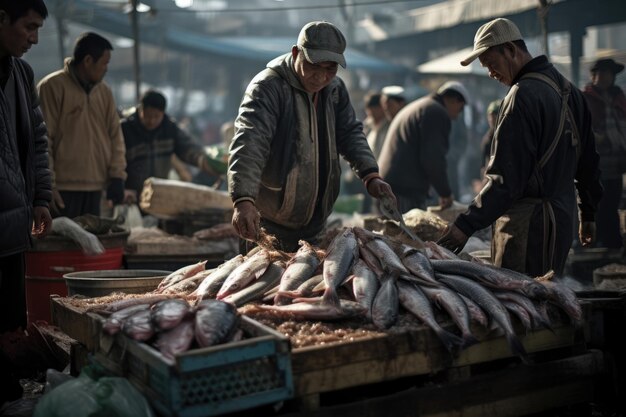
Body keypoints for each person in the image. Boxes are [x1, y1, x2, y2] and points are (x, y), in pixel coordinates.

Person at [438, 18, 603, 277]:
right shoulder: (570, 90)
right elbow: (589, 162)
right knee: (549, 298)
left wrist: (464, 225)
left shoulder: (521, 95)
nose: (491, 73)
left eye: (492, 64)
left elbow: (506, 179)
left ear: (512, 50)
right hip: (562, 220)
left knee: (523, 305)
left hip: (530, 228)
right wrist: (588, 212)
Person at [228, 21, 395, 252]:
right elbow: (250, 142)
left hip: (315, 224)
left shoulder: (335, 89)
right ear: (296, 53)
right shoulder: (268, 87)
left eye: (331, 69)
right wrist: (243, 199)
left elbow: (350, 133)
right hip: (269, 223)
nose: (321, 77)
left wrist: (370, 174)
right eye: (315, 66)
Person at [0, 0, 52, 404]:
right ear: (2, 19)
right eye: (28, 27)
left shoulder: (21, 73)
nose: (34, 38)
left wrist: (40, 197)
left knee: (10, 318)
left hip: (14, 223)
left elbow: (36, 140)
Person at [37, 32, 127, 218]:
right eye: (104, 63)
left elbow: (115, 136)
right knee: (63, 243)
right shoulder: (52, 87)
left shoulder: (104, 92)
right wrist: (48, 186)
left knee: (93, 243)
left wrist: (117, 175)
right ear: (87, 60)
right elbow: (43, 141)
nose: (106, 69)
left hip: (96, 188)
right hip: (62, 188)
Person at [378, 81, 469, 213]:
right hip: (404, 190)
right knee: (406, 232)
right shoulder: (436, 112)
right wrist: (445, 193)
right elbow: (433, 158)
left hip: (392, 185)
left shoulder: (423, 105)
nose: (458, 115)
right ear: (454, 100)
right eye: (460, 109)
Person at [121, 90, 222, 201]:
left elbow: (188, 148)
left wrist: (204, 161)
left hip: (156, 195)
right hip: (130, 196)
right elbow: (115, 162)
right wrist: (119, 188)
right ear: (140, 109)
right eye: (148, 116)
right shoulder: (125, 129)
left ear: (163, 113)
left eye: (156, 116)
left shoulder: (169, 128)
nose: (151, 121)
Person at [582, 58, 626, 249]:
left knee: (613, 202)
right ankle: (596, 243)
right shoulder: (586, 98)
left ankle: (612, 242)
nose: (608, 77)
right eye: (604, 73)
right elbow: (581, 127)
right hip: (597, 162)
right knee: (597, 203)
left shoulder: (619, 97)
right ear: (594, 76)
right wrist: (595, 137)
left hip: (617, 161)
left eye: (611, 73)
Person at [363, 91, 390, 160]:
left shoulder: (389, 126)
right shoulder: (366, 127)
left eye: (375, 108)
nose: (371, 112)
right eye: (369, 109)